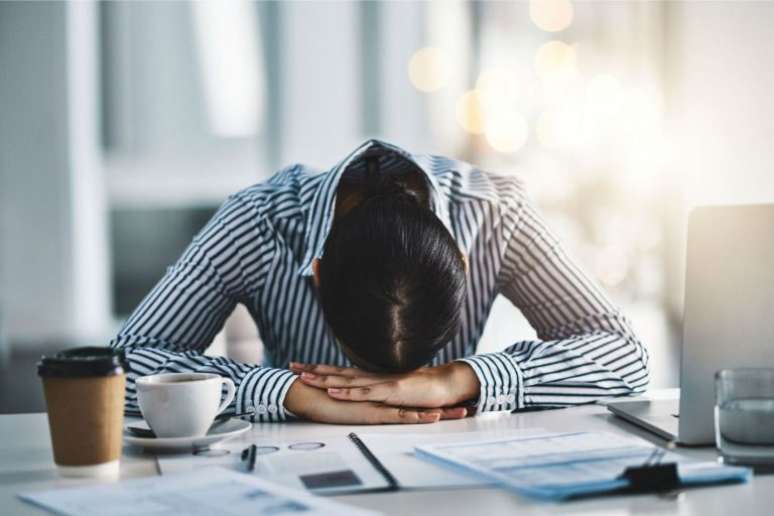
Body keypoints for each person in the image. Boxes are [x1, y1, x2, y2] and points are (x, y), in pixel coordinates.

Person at [111, 139, 649, 424]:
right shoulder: (258, 222)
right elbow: (118, 367)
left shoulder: (495, 214)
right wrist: (291, 394)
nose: (390, 396)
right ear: (316, 271)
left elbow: (625, 355)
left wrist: (458, 379)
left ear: (460, 262)